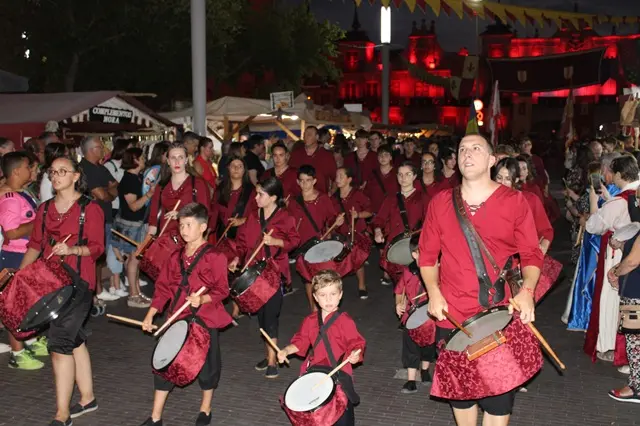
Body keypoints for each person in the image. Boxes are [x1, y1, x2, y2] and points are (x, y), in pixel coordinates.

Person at [419, 134, 543, 426]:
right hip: (451, 314)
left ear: (491, 160)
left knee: (498, 400)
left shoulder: (514, 201)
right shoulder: (440, 202)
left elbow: (531, 254)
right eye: (463, 149)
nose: (467, 153)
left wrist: (527, 291)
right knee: (461, 393)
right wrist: (433, 292)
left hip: (497, 313)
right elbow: (427, 257)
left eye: (476, 148)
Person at [21, 156, 105, 426]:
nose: (55, 176)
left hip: (78, 285)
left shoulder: (90, 209)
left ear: (76, 176)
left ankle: (62, 414)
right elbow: (35, 245)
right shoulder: (44, 209)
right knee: (74, 340)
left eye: (62, 171)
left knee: (59, 346)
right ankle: (88, 398)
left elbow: (97, 248)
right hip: (50, 284)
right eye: (52, 172)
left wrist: (72, 249)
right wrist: (20, 278)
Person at [141, 203, 231, 426]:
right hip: (177, 317)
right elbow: (163, 289)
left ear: (203, 227)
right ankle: (155, 417)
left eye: (188, 225)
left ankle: (206, 408)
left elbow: (222, 290)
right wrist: (150, 314)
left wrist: (203, 299)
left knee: (208, 366)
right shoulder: (175, 256)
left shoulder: (215, 257)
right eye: (181, 225)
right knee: (164, 363)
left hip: (205, 318)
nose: (183, 230)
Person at [228, 177, 300, 379]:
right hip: (254, 273)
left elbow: (294, 241)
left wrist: (275, 241)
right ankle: (269, 354)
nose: (256, 198)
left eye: (261, 194)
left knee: (270, 316)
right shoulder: (253, 216)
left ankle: (271, 362)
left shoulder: (285, 217)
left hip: (273, 273)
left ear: (273, 197)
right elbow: (242, 242)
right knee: (260, 317)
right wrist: (236, 258)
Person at [277, 270, 366, 426]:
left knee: (342, 418)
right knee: (315, 416)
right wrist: (286, 350)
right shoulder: (310, 320)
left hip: (339, 374)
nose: (328, 299)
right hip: (316, 371)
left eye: (333, 294)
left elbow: (356, 342)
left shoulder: (345, 321)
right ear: (315, 297)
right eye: (323, 295)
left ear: (340, 295)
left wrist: (355, 354)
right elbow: (301, 341)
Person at [584, 155, 640, 366]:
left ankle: (612, 347)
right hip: (629, 253)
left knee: (613, 300)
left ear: (618, 175)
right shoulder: (629, 195)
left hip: (622, 257)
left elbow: (593, 226)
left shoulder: (619, 201)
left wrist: (594, 202)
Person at [0, 152, 48, 369]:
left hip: (26, 253)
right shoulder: (10, 198)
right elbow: (11, 232)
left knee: (28, 303)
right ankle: (17, 354)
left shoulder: (21, 193)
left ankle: (29, 340)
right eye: (29, 167)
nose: (32, 170)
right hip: (15, 255)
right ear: (17, 171)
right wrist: (39, 223)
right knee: (15, 306)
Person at [288, 165, 340, 310]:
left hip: (320, 243)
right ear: (298, 182)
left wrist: (336, 222)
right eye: (302, 180)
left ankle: (327, 307)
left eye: (308, 180)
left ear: (314, 181)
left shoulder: (323, 198)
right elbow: (289, 223)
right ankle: (314, 310)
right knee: (308, 279)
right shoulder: (293, 201)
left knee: (324, 277)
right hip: (302, 246)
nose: (305, 184)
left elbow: (331, 218)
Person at [78, 136, 118, 301]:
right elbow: (102, 195)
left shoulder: (100, 167)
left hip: (105, 217)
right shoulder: (84, 169)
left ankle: (97, 288)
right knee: (93, 256)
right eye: (100, 147)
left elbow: (115, 186)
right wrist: (108, 192)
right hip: (93, 220)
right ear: (91, 150)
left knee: (100, 257)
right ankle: (96, 290)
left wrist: (108, 192)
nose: (103, 150)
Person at [113, 148, 153, 308]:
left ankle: (136, 292)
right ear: (135, 160)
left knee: (136, 259)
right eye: (141, 157)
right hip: (131, 225)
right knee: (134, 259)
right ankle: (133, 295)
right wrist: (149, 195)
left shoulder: (137, 177)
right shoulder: (129, 180)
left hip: (137, 224)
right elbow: (134, 206)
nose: (144, 159)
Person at [372, 161, 424, 286]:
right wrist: (378, 231)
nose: (403, 178)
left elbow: (431, 221)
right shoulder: (391, 198)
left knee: (415, 284)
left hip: (416, 245)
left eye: (407, 174)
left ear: (414, 176)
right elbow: (379, 219)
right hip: (395, 245)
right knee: (399, 284)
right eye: (400, 174)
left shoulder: (422, 197)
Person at [394, 235, 435, 393]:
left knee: (429, 347)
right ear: (414, 254)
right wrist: (399, 304)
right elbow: (399, 290)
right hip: (411, 316)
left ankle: (424, 370)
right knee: (410, 348)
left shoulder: (436, 269)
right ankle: (411, 380)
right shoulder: (407, 271)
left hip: (430, 316)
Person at [147, 143, 210, 239]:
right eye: (173, 158)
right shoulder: (161, 186)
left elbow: (204, 215)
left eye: (180, 157)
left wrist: (182, 215)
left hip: (189, 239)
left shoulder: (198, 184)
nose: (177, 162)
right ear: (168, 161)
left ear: (186, 160)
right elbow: (153, 221)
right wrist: (146, 244)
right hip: (165, 240)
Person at [607, 225, 640, 403]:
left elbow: (633, 261)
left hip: (636, 295)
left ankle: (636, 387)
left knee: (635, 342)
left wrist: (616, 272)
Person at [493, 157, 553, 254]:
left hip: (526, 256)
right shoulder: (488, 201)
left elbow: (546, 231)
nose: (502, 183)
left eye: (508, 179)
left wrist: (542, 248)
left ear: (516, 179)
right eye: (499, 178)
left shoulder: (530, 200)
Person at [332, 166, 372, 299]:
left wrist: (358, 215)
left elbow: (370, 211)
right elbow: (329, 217)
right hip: (340, 234)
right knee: (338, 262)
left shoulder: (358, 194)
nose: (337, 179)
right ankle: (336, 288)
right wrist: (335, 222)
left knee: (357, 258)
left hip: (357, 233)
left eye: (341, 176)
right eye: (336, 176)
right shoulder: (333, 198)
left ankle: (362, 285)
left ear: (349, 179)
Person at [289, 126, 337, 194]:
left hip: (320, 197)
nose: (306, 137)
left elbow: (335, 177)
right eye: (305, 134)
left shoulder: (326, 155)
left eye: (309, 134)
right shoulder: (296, 154)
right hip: (299, 196)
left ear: (317, 137)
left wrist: (331, 192)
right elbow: (289, 175)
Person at [365, 145, 399, 215]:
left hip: (393, 212)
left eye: (386, 155)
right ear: (377, 157)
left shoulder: (398, 173)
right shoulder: (372, 174)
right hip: (375, 213)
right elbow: (367, 194)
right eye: (380, 155)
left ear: (391, 157)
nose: (383, 157)